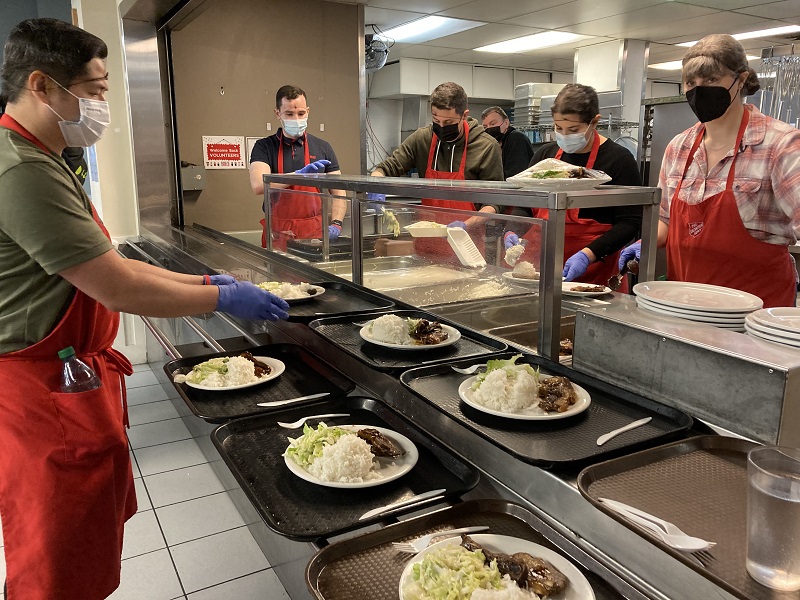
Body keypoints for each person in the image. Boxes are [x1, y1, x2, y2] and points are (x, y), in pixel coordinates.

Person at [0, 18, 290, 600]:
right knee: (55, 562)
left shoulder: (44, 156)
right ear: (42, 86)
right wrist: (221, 298)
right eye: (96, 89)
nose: (103, 103)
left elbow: (111, 262)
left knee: (83, 545)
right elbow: (117, 288)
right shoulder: (23, 171)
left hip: (64, 380)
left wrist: (199, 277)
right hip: (40, 394)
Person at [619, 34, 800, 308]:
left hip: (756, 317)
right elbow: (665, 221)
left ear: (741, 80)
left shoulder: (780, 145)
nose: (699, 90)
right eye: (691, 82)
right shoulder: (679, 147)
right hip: (686, 307)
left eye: (712, 80)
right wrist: (644, 243)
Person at [504, 83, 642, 284]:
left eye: (574, 129)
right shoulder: (545, 156)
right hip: (541, 266)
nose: (565, 135)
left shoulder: (618, 159)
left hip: (595, 269)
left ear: (594, 122)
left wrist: (588, 254)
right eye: (558, 128)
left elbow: (630, 222)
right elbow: (524, 205)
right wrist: (513, 229)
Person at [370, 82, 503, 257]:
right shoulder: (422, 138)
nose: (441, 126)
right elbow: (388, 167)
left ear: (464, 115)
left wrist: (467, 224)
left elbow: (494, 202)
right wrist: (375, 184)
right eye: (436, 120)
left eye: (448, 122)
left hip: (465, 244)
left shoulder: (485, 146)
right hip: (427, 245)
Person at [249, 85, 347, 249]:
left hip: (314, 232)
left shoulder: (323, 147)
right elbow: (259, 185)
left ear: (308, 111)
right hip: (278, 233)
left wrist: (336, 222)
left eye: (301, 113)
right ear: (277, 113)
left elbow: (339, 192)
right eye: (289, 114)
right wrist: (297, 175)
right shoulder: (264, 146)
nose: (296, 118)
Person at [481, 106, 534, 179]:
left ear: (506, 123)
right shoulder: (492, 144)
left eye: (493, 124)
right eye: (485, 127)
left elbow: (515, 175)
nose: (489, 128)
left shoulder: (516, 139)